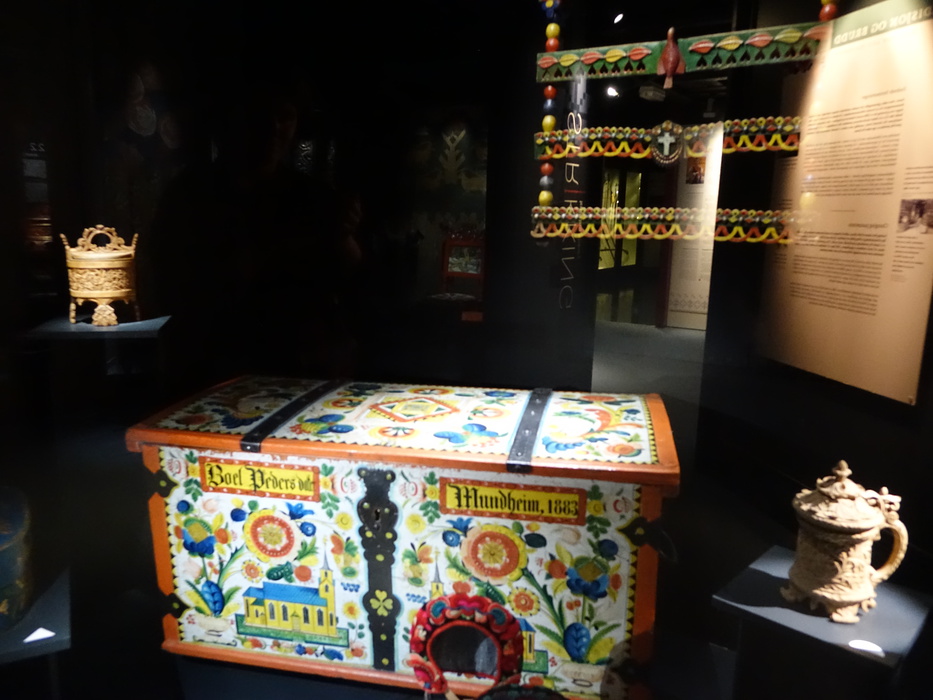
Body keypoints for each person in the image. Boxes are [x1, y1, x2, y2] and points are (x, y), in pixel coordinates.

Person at [141, 65, 360, 397]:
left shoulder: (310, 194)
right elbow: (174, 287)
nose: (273, 129)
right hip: (215, 366)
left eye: (284, 117)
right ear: (231, 121)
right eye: (259, 116)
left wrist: (344, 234)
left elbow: (346, 275)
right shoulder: (191, 195)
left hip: (299, 368)